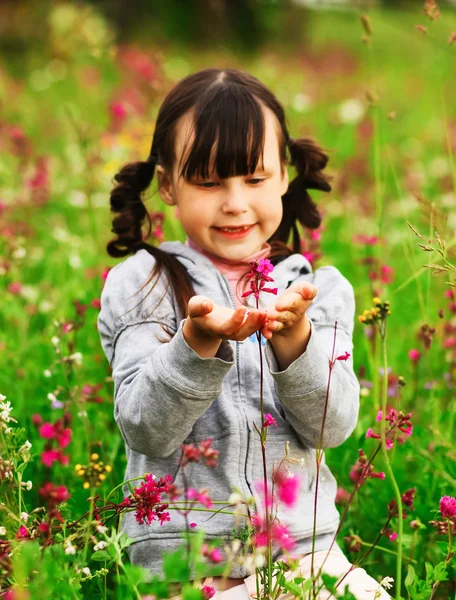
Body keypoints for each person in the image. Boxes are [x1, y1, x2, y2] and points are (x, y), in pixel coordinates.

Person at [97, 68, 391, 599]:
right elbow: (145, 429)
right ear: (167, 185)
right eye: (208, 182)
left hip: (306, 558)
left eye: (254, 179)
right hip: (190, 572)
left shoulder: (313, 291)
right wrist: (195, 345)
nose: (234, 202)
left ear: (284, 176)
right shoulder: (142, 286)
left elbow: (334, 425)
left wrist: (294, 341)